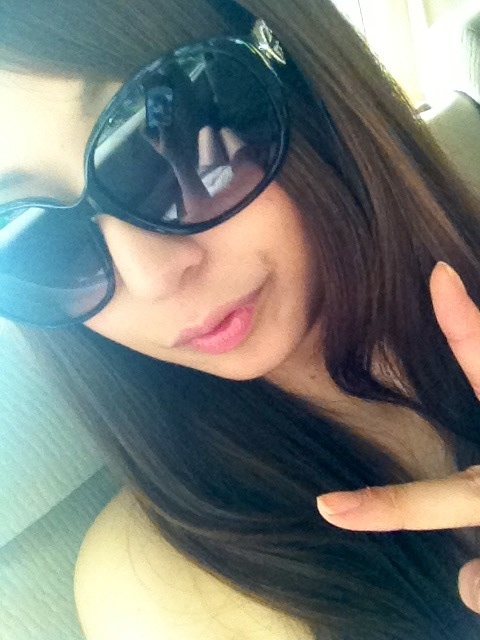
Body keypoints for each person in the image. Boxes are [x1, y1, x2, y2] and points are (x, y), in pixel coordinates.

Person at [2, 0, 480, 638]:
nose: (150, 276)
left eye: (145, 152)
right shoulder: (163, 590)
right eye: (33, 243)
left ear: (296, 68)